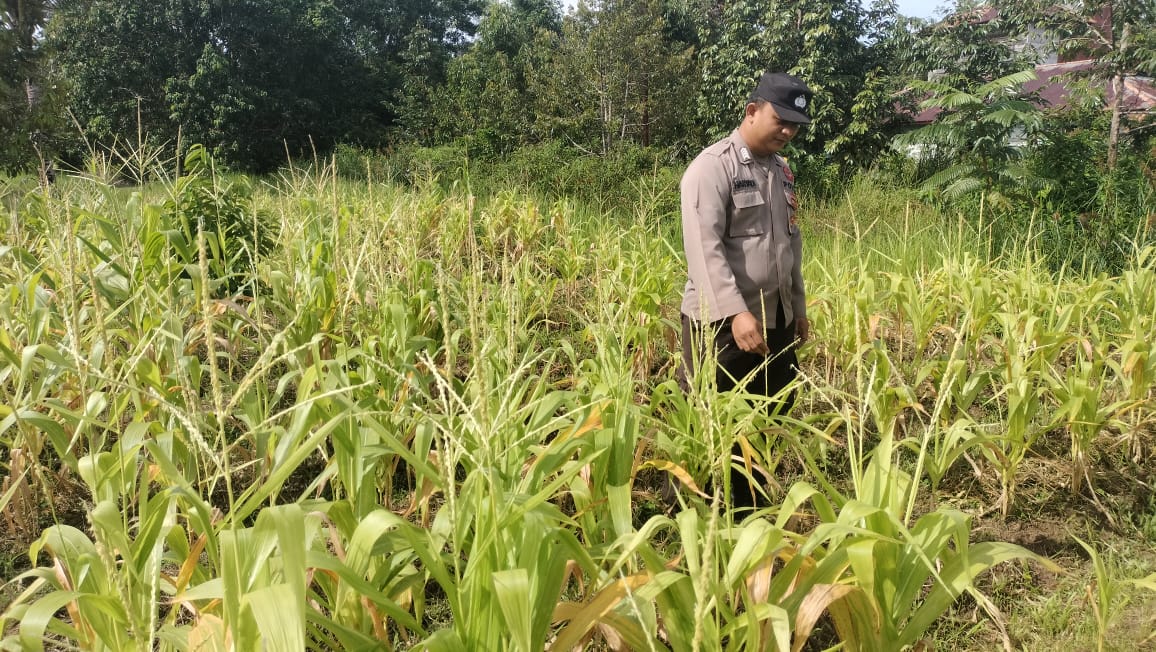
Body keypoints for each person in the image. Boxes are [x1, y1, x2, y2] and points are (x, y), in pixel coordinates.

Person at [677, 71, 813, 509]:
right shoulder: (711, 168)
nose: (789, 132)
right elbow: (704, 249)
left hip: (774, 318)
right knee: (711, 417)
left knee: (770, 408)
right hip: (719, 325)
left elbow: (789, 241)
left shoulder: (782, 171)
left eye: (796, 126)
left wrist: (798, 307)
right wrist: (734, 312)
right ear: (752, 111)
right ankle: (689, 510)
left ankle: (746, 506)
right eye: (782, 120)